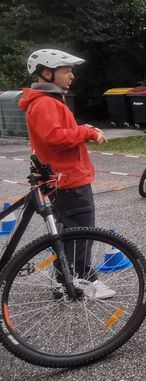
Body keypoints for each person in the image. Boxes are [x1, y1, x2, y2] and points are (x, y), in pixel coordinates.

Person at [19, 49, 113, 299]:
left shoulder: (48, 100)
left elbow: (60, 132)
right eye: (66, 71)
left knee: (68, 231)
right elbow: (55, 137)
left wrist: (81, 128)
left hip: (64, 176)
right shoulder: (44, 102)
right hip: (67, 179)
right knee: (81, 231)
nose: (71, 76)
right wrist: (87, 133)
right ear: (47, 73)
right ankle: (83, 279)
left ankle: (64, 281)